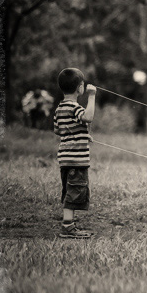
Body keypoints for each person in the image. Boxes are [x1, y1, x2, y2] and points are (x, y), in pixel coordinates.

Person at [54, 68, 97, 239]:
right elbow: (88, 117)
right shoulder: (74, 107)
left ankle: (69, 225)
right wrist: (92, 96)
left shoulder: (60, 108)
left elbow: (58, 129)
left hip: (65, 159)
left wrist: (82, 135)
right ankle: (68, 227)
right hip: (76, 159)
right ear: (80, 88)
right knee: (74, 191)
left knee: (70, 190)